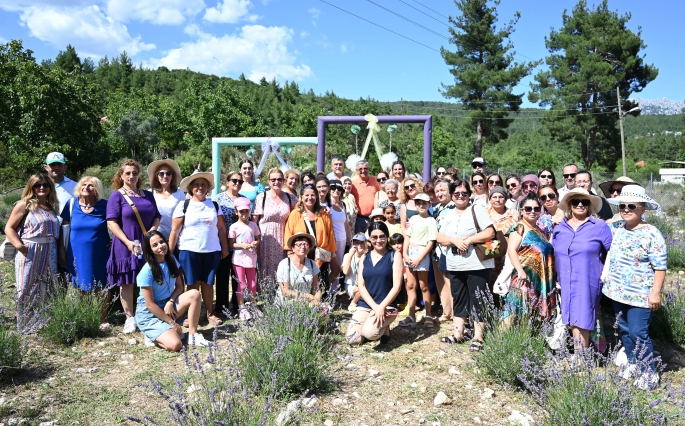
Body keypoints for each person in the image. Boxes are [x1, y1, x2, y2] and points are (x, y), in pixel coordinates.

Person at [602, 185, 666, 389]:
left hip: (641, 295)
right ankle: (633, 363)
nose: (626, 209)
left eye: (632, 206)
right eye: (622, 206)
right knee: (625, 330)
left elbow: (660, 266)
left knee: (639, 332)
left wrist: (656, 293)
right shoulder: (618, 228)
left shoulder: (651, 233)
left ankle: (649, 372)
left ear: (642, 209)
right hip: (618, 292)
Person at [437, 180, 495, 350]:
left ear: (469, 195)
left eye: (464, 193)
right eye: (457, 193)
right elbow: (440, 237)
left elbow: (490, 232)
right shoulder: (448, 215)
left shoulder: (477, 209)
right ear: (452, 196)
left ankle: (478, 337)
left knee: (478, 298)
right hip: (455, 264)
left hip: (477, 263)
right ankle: (458, 333)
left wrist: (468, 240)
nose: (460, 196)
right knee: (459, 298)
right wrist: (454, 240)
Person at [552, 188, 612, 350]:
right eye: (575, 201)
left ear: (589, 205)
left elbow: (612, 252)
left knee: (582, 315)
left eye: (584, 201)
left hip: (588, 279)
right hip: (565, 279)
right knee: (571, 314)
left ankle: (580, 358)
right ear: (569, 205)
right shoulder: (560, 228)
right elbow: (554, 251)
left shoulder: (599, 226)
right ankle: (581, 354)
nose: (580, 204)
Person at [107, 159, 161, 334]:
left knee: (148, 280)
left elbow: (156, 217)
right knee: (127, 282)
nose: (131, 176)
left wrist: (151, 234)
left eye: (135, 172)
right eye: (128, 173)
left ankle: (147, 313)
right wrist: (128, 242)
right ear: (121, 176)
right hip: (126, 243)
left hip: (146, 243)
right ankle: (130, 318)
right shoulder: (117, 195)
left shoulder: (148, 195)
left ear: (139, 175)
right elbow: (112, 222)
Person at [169, 172, 230, 326]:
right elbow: (175, 231)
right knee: (193, 283)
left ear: (208, 188)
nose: (200, 187)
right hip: (189, 250)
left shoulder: (214, 206)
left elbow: (221, 228)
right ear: (190, 188)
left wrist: (224, 247)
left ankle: (210, 313)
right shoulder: (183, 206)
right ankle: (191, 316)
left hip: (212, 251)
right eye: (196, 185)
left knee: (208, 284)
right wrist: (169, 253)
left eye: (203, 184)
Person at [5, 173, 61, 333]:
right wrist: (20, 246)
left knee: (48, 286)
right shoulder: (24, 205)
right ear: (32, 187)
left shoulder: (51, 206)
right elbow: (9, 227)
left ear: (50, 187)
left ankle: (45, 322)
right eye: (38, 185)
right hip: (30, 249)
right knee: (26, 286)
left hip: (50, 250)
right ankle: (25, 324)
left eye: (45, 185)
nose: (42, 188)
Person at [134, 231, 209, 350]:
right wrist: (171, 322)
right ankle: (152, 334)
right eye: (155, 245)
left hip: (167, 305)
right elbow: (150, 304)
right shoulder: (146, 271)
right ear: (150, 250)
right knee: (176, 345)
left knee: (194, 294)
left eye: (162, 242)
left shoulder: (172, 260)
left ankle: (192, 335)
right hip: (149, 314)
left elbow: (180, 287)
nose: (160, 246)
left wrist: (171, 301)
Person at [501, 194, 556, 322]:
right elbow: (511, 249)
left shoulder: (539, 230)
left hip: (539, 278)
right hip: (524, 277)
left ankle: (522, 340)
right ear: (521, 210)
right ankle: (498, 341)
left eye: (536, 209)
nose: (532, 211)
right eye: (528, 208)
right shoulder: (520, 227)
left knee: (529, 314)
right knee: (513, 310)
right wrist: (520, 270)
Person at [60, 177, 110, 317]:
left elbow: (118, 223)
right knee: (81, 284)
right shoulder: (71, 204)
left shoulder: (105, 205)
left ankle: (102, 317)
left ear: (97, 189)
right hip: (76, 252)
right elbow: (62, 228)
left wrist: (116, 240)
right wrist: (61, 249)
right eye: (84, 184)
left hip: (100, 252)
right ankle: (86, 317)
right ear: (79, 187)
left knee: (102, 285)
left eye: (91, 185)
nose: (87, 187)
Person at [346, 222, 403, 345]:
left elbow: (397, 287)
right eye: (374, 237)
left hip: (387, 306)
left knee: (370, 334)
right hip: (366, 304)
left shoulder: (395, 255)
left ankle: (384, 329)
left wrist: (381, 307)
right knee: (352, 339)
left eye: (382, 236)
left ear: (387, 236)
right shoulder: (364, 258)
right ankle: (375, 325)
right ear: (369, 239)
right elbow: (361, 285)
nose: (378, 240)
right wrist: (375, 307)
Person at [284, 184, 338, 289]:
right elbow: (288, 233)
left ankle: (322, 304)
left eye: (313, 195)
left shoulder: (323, 214)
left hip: (320, 256)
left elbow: (330, 234)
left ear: (317, 197)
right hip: (302, 255)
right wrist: (290, 252)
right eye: (307, 195)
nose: (310, 198)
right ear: (302, 197)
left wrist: (331, 252)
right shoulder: (295, 214)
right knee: (303, 284)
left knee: (321, 284)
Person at [398, 193, 438, 328]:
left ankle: (428, 315)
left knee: (423, 285)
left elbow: (431, 242)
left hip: (422, 253)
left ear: (429, 205)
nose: (421, 205)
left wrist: (420, 258)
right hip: (410, 251)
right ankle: (411, 314)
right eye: (419, 203)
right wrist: (405, 253)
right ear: (415, 205)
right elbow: (407, 237)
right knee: (410, 285)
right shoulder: (413, 218)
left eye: (424, 203)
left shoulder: (431, 221)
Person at [252, 168, 297, 280]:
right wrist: (254, 240)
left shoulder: (290, 198)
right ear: (268, 181)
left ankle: (280, 293)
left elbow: (302, 211)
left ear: (283, 180)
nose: (276, 182)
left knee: (281, 266)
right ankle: (264, 293)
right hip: (265, 237)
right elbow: (254, 221)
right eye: (273, 180)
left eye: (279, 179)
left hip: (283, 236)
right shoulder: (262, 197)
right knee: (264, 266)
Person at [214, 171, 247, 316]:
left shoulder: (244, 199)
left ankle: (237, 305)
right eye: (234, 180)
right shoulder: (219, 199)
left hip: (240, 246)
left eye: (240, 181)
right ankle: (221, 307)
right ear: (227, 182)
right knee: (222, 276)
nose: (237, 184)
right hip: (222, 243)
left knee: (238, 277)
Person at [229, 197, 261, 321]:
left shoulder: (253, 225)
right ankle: (242, 307)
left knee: (252, 284)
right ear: (236, 212)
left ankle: (253, 305)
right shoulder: (234, 227)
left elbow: (258, 239)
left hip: (251, 259)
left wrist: (255, 243)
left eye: (246, 211)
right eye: (241, 211)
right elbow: (231, 244)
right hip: (238, 260)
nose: (244, 214)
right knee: (241, 284)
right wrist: (242, 245)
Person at [486, 186, 519, 301]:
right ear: (490, 199)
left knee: (503, 283)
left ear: (505, 199)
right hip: (487, 255)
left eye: (501, 197)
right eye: (494, 197)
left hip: (506, 256)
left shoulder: (513, 215)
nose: (498, 199)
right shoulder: (484, 214)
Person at [432, 179, 456, 323]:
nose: (440, 193)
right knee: (440, 282)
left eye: (443, 190)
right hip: (436, 250)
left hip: (449, 250)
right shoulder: (436, 208)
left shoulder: (455, 207)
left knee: (450, 282)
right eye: (437, 191)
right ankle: (446, 312)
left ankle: (455, 313)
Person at [276, 233, 321, 303]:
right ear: (293, 248)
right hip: (288, 303)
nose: (303, 247)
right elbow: (285, 292)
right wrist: (308, 296)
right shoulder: (284, 264)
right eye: (299, 244)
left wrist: (316, 301)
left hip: (306, 302)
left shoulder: (312, 264)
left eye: (306, 244)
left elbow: (316, 289)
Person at [148, 159, 185, 240]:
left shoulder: (179, 193)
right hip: (156, 238)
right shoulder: (150, 193)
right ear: (157, 176)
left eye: (168, 173)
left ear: (172, 176)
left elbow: (185, 215)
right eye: (161, 174)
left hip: (176, 237)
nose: (165, 176)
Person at [328, 179, 352, 282]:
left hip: (342, 240)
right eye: (333, 187)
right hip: (330, 240)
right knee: (330, 267)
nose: (336, 190)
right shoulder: (326, 204)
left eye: (339, 188)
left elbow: (345, 223)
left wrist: (350, 240)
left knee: (339, 265)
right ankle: (327, 292)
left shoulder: (343, 204)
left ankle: (335, 292)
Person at [351, 160, 380, 234]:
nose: (363, 171)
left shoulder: (375, 181)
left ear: (368, 169)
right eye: (360, 169)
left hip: (373, 218)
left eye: (365, 168)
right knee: (360, 240)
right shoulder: (353, 183)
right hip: (359, 219)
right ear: (357, 171)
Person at [343, 233, 367, 312]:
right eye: (356, 243)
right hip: (351, 284)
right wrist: (350, 255)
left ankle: (358, 301)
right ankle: (353, 302)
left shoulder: (368, 256)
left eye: (361, 243)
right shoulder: (348, 256)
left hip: (364, 284)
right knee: (361, 290)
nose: (359, 245)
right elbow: (345, 271)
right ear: (353, 244)